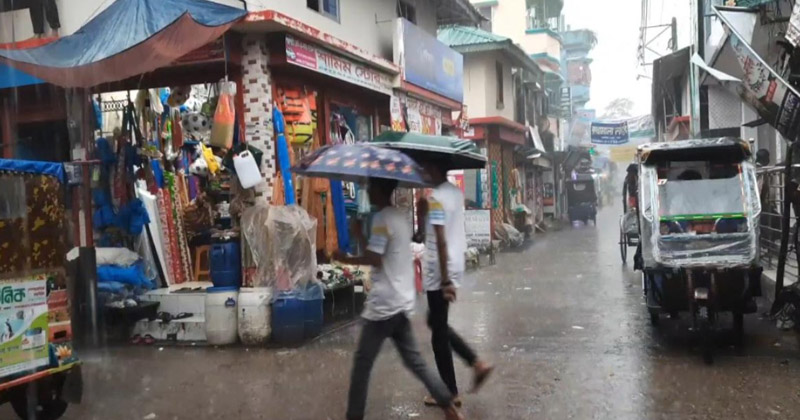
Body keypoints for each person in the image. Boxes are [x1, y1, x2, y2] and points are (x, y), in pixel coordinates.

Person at [335, 177, 463, 420]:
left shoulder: (382, 220)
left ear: (380, 190)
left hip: (383, 307)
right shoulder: (399, 219)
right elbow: (381, 255)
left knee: (362, 364)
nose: (368, 191)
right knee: (415, 362)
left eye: (371, 187)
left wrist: (347, 256)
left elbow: (375, 260)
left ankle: (354, 415)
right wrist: (360, 236)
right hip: (401, 303)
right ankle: (448, 404)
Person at [417, 160, 493, 407]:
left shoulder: (436, 198)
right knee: (436, 322)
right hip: (452, 263)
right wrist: (422, 215)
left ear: (435, 168)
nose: (424, 172)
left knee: (438, 333)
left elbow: (439, 239)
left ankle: (450, 391)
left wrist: (445, 280)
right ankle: (475, 364)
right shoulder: (453, 193)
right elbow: (434, 233)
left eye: (426, 167)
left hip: (440, 269)